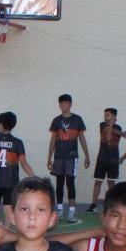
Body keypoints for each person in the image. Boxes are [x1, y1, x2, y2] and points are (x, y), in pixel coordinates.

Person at [46, 94, 89, 224]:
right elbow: (53, 139)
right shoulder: (56, 120)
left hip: (71, 157)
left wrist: (86, 155)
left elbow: (82, 138)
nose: (63, 105)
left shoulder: (77, 119)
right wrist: (49, 157)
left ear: (70, 104)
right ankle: (59, 210)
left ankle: (71, 211)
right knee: (59, 183)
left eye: (66, 103)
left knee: (70, 182)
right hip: (59, 157)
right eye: (61, 103)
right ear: (59, 105)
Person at [0, 111, 33, 227]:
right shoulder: (17, 142)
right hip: (10, 181)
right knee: (8, 207)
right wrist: (33, 176)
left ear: (1, 125)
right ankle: (7, 233)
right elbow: (23, 162)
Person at [91, 108, 126, 212]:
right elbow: (108, 137)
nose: (106, 116)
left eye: (109, 114)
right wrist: (121, 133)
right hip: (102, 158)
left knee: (111, 183)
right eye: (105, 114)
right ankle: (93, 204)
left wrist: (120, 131)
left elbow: (114, 135)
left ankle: (110, 205)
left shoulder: (118, 127)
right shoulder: (102, 125)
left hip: (113, 158)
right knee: (98, 182)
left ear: (115, 117)